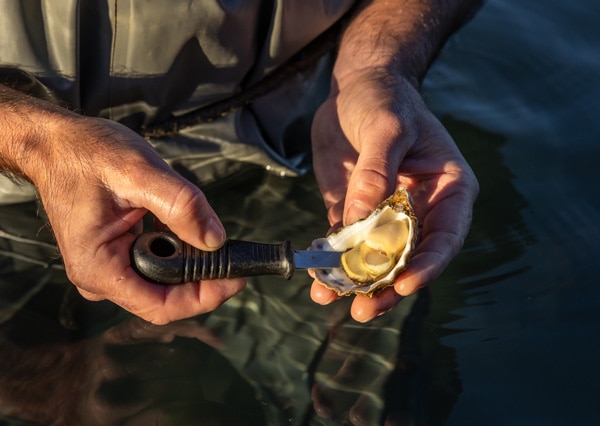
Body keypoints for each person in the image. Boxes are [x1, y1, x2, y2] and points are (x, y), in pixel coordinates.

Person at [0, 0, 480, 325]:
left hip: (306, 152)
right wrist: (33, 143)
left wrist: (375, 64)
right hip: (17, 188)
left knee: (363, 413)